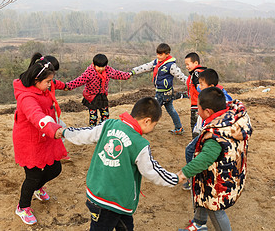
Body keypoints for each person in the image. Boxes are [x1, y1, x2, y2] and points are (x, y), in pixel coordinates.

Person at [59, 97, 184, 230]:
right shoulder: (140, 144)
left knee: (125, 226)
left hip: (99, 194)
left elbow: (85, 134)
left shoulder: (109, 124)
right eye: (154, 124)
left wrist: (65, 132)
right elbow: (152, 171)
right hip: (112, 201)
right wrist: (175, 178)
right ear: (147, 121)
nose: (153, 128)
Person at [177, 87, 253, 231]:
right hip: (229, 172)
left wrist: (184, 173)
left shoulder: (215, 135)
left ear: (207, 111)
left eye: (198, 107)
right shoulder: (232, 119)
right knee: (202, 195)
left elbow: (205, 158)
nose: (196, 111)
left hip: (218, 181)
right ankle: (199, 223)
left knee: (214, 209)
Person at [12, 53, 67, 225]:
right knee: (33, 176)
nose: (51, 85)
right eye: (48, 82)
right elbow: (36, 116)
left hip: (44, 136)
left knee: (55, 168)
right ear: (37, 81)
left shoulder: (40, 89)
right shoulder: (27, 98)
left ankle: (37, 188)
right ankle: (23, 207)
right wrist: (53, 129)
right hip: (30, 141)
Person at [182, 68, 233, 190]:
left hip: (211, 131)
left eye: (201, 84)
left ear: (211, 86)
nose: (199, 86)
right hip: (205, 129)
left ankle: (193, 178)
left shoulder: (220, 98)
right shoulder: (211, 94)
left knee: (191, 151)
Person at [131, 43, 188, 135]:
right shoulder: (156, 62)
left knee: (152, 109)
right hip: (167, 92)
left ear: (167, 54)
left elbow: (180, 76)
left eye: (160, 54)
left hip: (162, 93)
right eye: (157, 54)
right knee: (171, 110)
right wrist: (133, 71)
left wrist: (190, 83)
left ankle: (145, 127)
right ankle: (179, 127)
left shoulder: (171, 65)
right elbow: (145, 67)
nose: (158, 56)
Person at [65, 54, 131, 126]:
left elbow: (117, 74)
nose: (101, 69)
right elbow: (79, 80)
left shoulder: (108, 70)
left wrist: (127, 75)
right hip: (92, 97)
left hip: (102, 96)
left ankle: (102, 127)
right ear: (94, 64)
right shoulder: (89, 73)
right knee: (93, 117)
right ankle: (93, 129)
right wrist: (68, 86)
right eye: (99, 67)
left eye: (103, 67)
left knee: (105, 115)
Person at [184, 52, 207, 138]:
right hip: (201, 104)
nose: (186, 67)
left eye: (188, 64)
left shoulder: (196, 73)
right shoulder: (201, 72)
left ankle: (196, 146)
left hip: (197, 105)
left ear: (196, 63)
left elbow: (200, 87)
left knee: (195, 128)